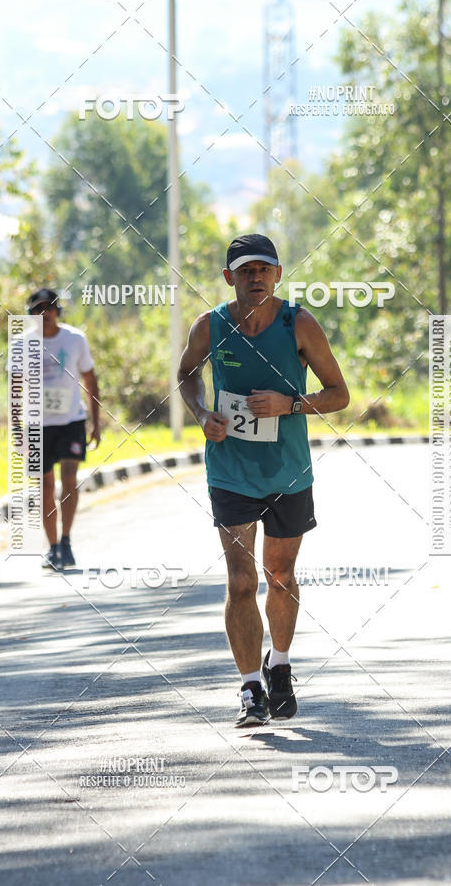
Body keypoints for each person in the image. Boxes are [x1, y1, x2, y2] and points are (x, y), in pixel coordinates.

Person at [178, 234, 349, 727]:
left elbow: (339, 394)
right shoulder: (210, 326)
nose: (255, 278)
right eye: (245, 270)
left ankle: (281, 665)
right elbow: (186, 374)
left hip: (287, 472)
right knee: (240, 580)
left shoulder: (300, 324)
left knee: (280, 575)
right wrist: (201, 413)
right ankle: (251, 687)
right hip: (230, 471)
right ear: (228, 277)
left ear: (277, 274)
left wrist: (289, 404)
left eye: (264, 269)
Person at [26, 288, 101, 569]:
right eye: (38, 309)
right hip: (38, 424)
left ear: (58, 310)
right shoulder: (23, 344)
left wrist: (96, 422)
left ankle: (66, 541)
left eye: (49, 308)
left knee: (69, 478)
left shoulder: (74, 339)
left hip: (71, 421)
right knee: (45, 487)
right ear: (31, 314)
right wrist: (18, 431)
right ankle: (53, 547)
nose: (44, 314)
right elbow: (15, 389)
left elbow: (90, 381)